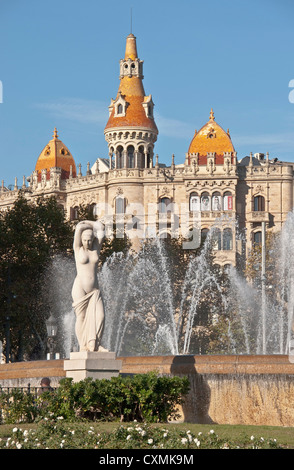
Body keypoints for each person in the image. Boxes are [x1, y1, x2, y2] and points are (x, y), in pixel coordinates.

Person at [72, 220, 108, 352]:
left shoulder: (96, 248)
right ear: (81, 239)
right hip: (80, 287)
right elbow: (78, 227)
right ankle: (83, 345)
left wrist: (92, 223)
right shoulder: (77, 249)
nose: (87, 243)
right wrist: (85, 223)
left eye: (90, 240)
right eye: (85, 240)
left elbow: (101, 228)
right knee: (80, 316)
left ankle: (95, 344)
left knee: (101, 316)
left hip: (95, 290)